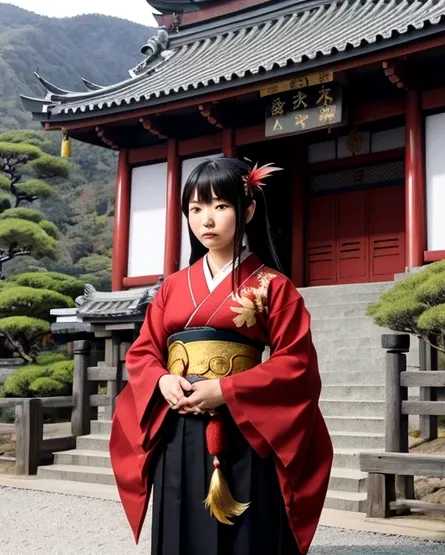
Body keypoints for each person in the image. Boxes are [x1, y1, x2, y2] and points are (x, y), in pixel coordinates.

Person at [109, 157, 333, 555]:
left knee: (247, 533)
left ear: (246, 210)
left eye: (220, 206)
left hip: (245, 426)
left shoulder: (273, 286)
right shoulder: (172, 287)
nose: (206, 220)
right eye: (195, 209)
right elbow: (144, 351)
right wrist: (162, 380)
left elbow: (295, 362)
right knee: (181, 525)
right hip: (177, 426)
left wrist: (226, 389)